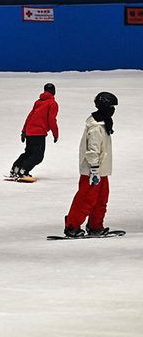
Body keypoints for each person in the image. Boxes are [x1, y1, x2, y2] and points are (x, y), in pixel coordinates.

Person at [63, 92, 118, 238]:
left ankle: (95, 226)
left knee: (101, 199)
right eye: (111, 106)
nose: (113, 109)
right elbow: (92, 150)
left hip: (102, 169)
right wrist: (94, 169)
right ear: (104, 107)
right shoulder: (95, 127)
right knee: (86, 199)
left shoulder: (104, 122)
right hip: (92, 171)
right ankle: (72, 226)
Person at [9, 83, 59, 179]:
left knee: (28, 152)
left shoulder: (38, 102)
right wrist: (55, 133)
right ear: (54, 92)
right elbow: (52, 120)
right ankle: (24, 170)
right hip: (39, 133)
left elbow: (30, 116)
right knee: (38, 156)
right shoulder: (52, 103)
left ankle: (16, 168)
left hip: (29, 132)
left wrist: (24, 131)